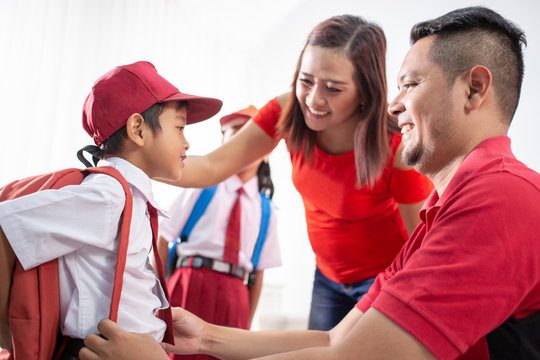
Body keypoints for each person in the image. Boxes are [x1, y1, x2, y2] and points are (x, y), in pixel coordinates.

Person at [79, 6, 540, 360]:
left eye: (411, 84)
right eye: (306, 81)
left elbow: (350, 355)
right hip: (336, 276)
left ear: (475, 90)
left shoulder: (497, 198)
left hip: (371, 274)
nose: (397, 106)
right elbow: (334, 339)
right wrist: (209, 336)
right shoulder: (447, 211)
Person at [174, 14, 434, 331]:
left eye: (333, 88)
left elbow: (422, 246)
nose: (313, 100)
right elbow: (212, 167)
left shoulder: (395, 150)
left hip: (383, 280)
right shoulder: (288, 112)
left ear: (365, 91)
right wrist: (133, 154)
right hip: (327, 277)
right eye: (306, 81)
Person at [0, 61, 222, 358]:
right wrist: (7, 330)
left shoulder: (129, 197)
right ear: (138, 129)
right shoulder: (109, 196)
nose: (187, 142)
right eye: (180, 128)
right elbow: (5, 223)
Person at [156, 105, 281, 359]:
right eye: (235, 132)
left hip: (235, 294)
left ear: (267, 153)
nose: (243, 140)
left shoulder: (267, 210)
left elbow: (259, 272)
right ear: (223, 142)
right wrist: (161, 293)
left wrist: (246, 321)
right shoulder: (201, 186)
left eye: (252, 134)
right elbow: (163, 236)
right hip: (189, 283)